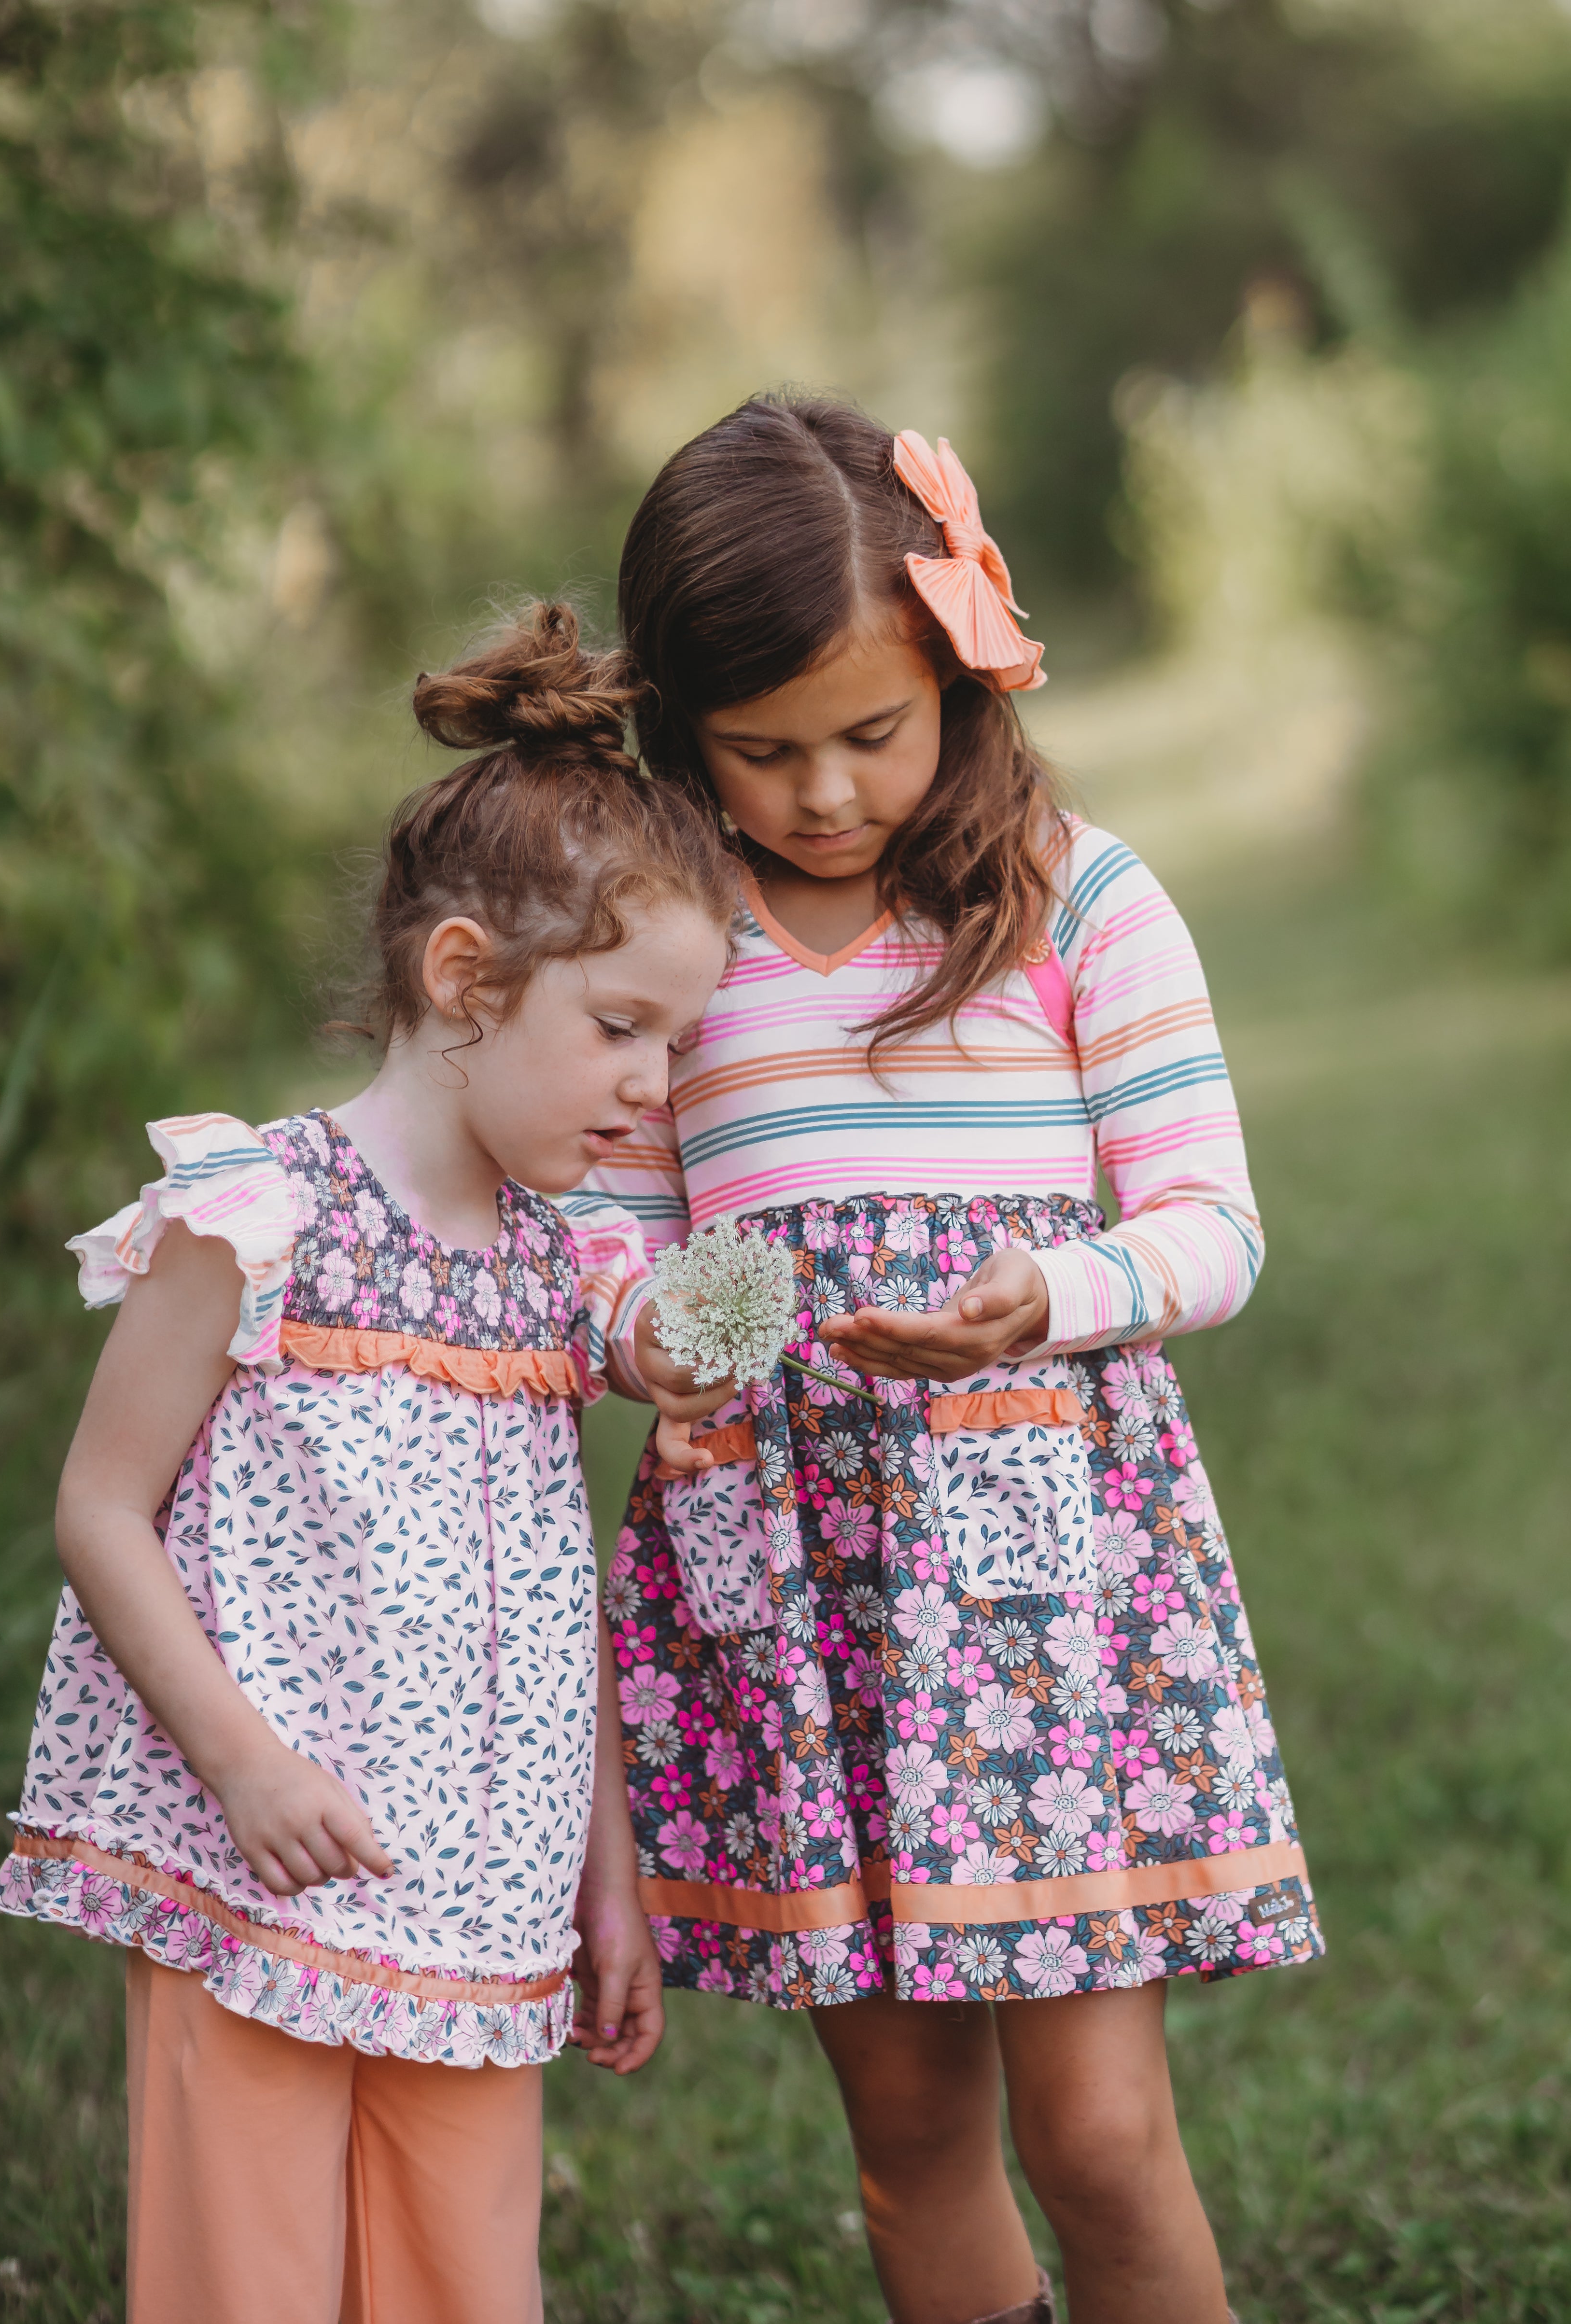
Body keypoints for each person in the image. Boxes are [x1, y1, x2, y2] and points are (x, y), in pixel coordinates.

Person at [579, 398, 1321, 2324]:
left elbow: (1210, 1226)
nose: (821, 793)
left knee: (1092, 2134)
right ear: (678, 725)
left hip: (1035, 1608)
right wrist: (633, 1323)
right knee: (908, 2140)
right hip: (794, 1595)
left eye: (868, 734)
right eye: (761, 750)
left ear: (963, 678)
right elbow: (599, 1217)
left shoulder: (1079, 900)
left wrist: (1052, 1297)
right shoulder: (662, 940)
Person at [0, 604, 736, 2324]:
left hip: (486, 1897)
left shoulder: (564, 1271)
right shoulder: (259, 1221)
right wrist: (241, 1763)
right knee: (247, 2286)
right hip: (268, 1872)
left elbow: (559, 1605)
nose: (651, 1087)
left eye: (679, 1046)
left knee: (467, 2287)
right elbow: (101, 1509)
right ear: (462, 976)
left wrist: (604, 1877)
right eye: (621, 1027)